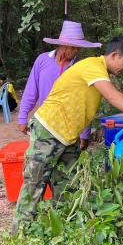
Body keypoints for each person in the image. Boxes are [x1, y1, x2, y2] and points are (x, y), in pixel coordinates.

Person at [12, 35, 123, 233]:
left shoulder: (98, 74)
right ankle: (19, 236)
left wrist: (84, 137)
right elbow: (113, 96)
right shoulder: (92, 66)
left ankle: (63, 231)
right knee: (34, 184)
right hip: (49, 131)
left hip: (67, 138)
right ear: (114, 55)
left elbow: (83, 106)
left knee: (70, 186)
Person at [17, 20, 101, 149]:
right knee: (41, 166)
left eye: (79, 48)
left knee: (68, 168)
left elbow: (84, 102)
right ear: (66, 46)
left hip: (70, 129)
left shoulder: (80, 67)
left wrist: (84, 135)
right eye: (75, 48)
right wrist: (22, 118)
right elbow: (31, 91)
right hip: (45, 124)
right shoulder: (42, 60)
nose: (77, 51)